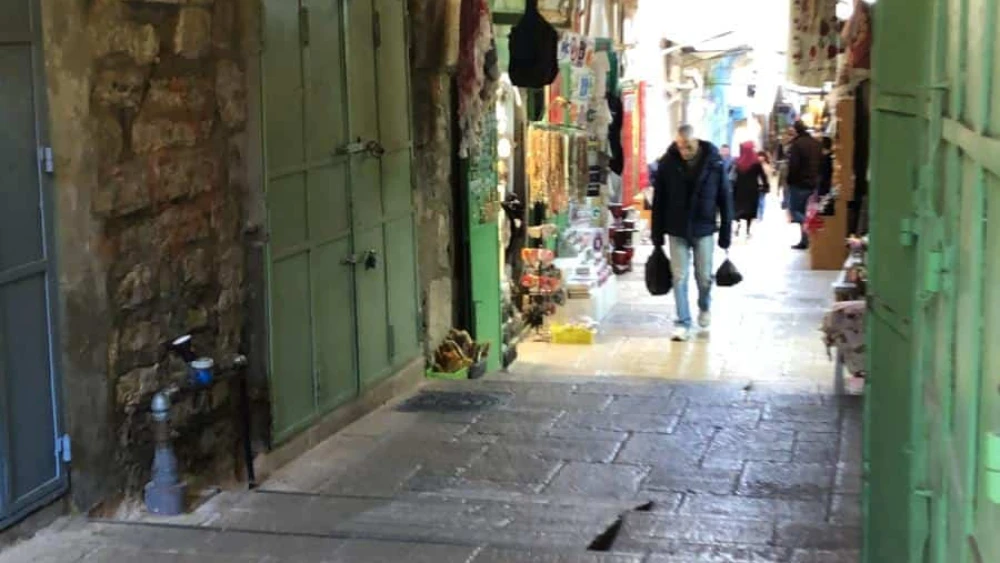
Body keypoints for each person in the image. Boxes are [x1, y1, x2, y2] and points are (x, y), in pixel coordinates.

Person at [651, 125, 733, 342]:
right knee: (679, 276)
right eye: (680, 146)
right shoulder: (667, 163)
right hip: (676, 228)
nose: (684, 151)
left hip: (704, 227)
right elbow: (659, 201)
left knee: (704, 277)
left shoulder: (714, 163)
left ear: (696, 141)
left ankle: (704, 306)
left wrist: (726, 233)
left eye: (687, 146)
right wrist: (656, 235)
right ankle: (682, 322)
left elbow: (725, 199)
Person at [786, 121, 823, 249]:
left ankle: (809, 232)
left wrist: (789, 181)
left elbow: (794, 166)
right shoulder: (817, 144)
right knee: (809, 211)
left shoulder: (797, 145)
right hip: (813, 183)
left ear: (796, 131)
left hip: (799, 184)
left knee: (796, 211)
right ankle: (805, 240)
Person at [732, 141, 769, 238]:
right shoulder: (756, 162)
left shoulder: (738, 162)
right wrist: (766, 186)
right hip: (752, 190)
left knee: (739, 208)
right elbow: (762, 175)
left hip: (739, 189)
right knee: (750, 210)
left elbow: (734, 176)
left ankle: (738, 226)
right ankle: (748, 230)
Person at [756, 150, 773, 219]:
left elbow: (768, 176)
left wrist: (767, 184)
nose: (760, 158)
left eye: (761, 156)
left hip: (763, 185)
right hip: (756, 184)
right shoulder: (756, 165)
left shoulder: (766, 166)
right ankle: (758, 214)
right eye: (759, 156)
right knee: (758, 200)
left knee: (761, 200)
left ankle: (761, 215)